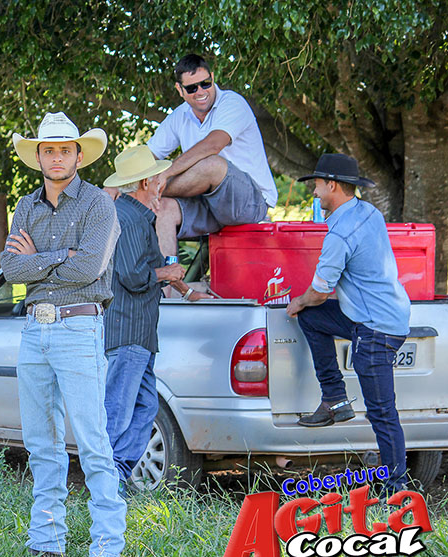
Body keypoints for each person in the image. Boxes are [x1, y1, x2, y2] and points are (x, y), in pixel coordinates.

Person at [0, 111, 126, 557]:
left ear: (79, 155)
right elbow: (10, 271)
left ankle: (106, 548)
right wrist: (57, 258)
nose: (56, 158)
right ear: (38, 156)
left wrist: (39, 259)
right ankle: (46, 539)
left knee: (93, 441)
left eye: (65, 150)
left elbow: (88, 268)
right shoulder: (26, 206)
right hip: (34, 329)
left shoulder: (98, 205)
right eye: (48, 150)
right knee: (41, 442)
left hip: (78, 327)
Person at [286, 153, 410, 493]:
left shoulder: (340, 234)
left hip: (376, 328)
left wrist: (295, 302)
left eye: (316, 184)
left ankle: (396, 488)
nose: (313, 191)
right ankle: (335, 400)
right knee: (313, 319)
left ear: (332, 185)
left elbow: (319, 292)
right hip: (383, 315)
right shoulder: (369, 213)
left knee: (382, 412)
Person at [101, 146, 212, 495]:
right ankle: (105, 481)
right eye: (159, 177)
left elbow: (144, 270)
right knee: (119, 410)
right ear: (146, 181)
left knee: (145, 406)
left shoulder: (135, 215)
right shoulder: (130, 219)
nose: (163, 183)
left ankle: (115, 477)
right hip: (130, 330)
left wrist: (179, 282)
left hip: (139, 331)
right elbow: (134, 276)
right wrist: (167, 271)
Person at [139, 53, 277, 257]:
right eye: (192, 88)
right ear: (180, 90)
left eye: (205, 83)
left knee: (212, 164)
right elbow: (148, 155)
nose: (200, 91)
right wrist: (115, 185)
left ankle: (143, 194)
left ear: (213, 77)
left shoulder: (232, 102)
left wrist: (163, 176)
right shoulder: (179, 115)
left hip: (250, 203)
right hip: (209, 204)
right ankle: (166, 286)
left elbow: (213, 144)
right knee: (163, 209)